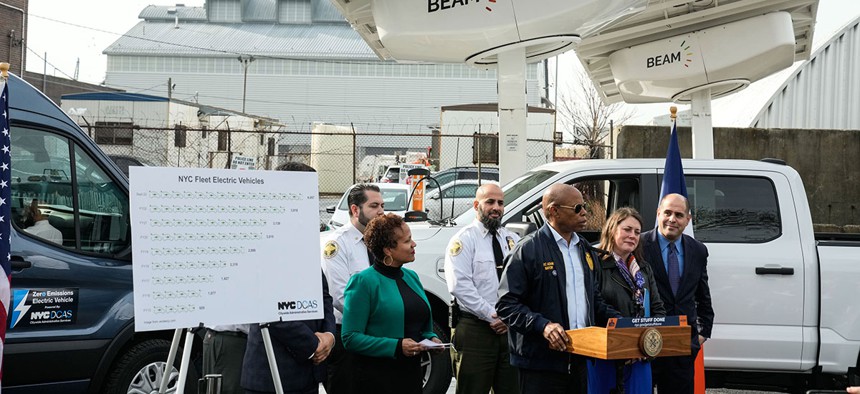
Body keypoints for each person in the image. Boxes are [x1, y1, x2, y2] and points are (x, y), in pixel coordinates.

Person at [497, 184, 620, 394]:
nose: (584, 213)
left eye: (585, 207)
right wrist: (543, 326)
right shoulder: (528, 249)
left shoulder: (584, 249)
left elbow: (593, 300)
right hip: (540, 365)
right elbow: (506, 305)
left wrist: (623, 323)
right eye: (578, 208)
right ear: (553, 211)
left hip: (580, 360)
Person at [240, 161, 336, 394]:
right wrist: (313, 345)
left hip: (308, 375)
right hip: (271, 376)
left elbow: (324, 297)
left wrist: (330, 336)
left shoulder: (301, 237)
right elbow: (268, 309)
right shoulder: (262, 239)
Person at [341, 213, 442, 394]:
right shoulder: (363, 282)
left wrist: (431, 339)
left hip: (411, 374)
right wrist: (396, 346)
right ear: (388, 250)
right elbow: (350, 337)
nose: (414, 244)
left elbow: (419, 325)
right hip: (377, 378)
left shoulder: (412, 277)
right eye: (407, 241)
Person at [444, 183, 519, 394]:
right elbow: (460, 286)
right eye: (490, 202)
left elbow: (523, 282)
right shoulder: (464, 240)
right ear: (477, 205)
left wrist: (509, 317)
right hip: (476, 330)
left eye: (501, 203)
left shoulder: (512, 239)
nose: (496, 207)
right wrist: (492, 316)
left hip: (509, 329)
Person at [641, 193, 714, 394]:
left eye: (679, 215)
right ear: (658, 214)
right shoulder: (638, 245)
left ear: (687, 220)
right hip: (644, 342)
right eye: (667, 213)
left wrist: (701, 334)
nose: (672, 219)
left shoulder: (698, 250)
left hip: (682, 347)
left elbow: (703, 296)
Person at [588, 207, 666, 394]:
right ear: (612, 229)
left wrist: (645, 343)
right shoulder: (595, 264)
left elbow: (658, 309)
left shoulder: (643, 269)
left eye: (637, 232)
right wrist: (626, 338)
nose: (633, 235)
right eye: (627, 229)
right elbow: (595, 305)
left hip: (640, 356)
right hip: (605, 355)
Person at [320, 184, 385, 393]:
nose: (381, 211)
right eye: (374, 206)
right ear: (355, 210)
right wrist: (376, 320)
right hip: (346, 335)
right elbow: (339, 296)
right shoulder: (337, 244)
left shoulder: (378, 242)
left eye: (382, 205)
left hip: (373, 333)